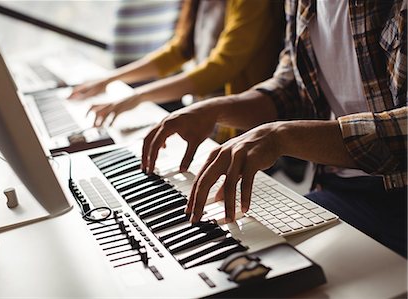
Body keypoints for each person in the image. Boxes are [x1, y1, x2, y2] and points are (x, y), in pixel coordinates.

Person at [141, 0, 407, 257]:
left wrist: (282, 136)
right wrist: (215, 110)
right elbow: (289, 88)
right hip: (339, 190)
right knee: (242, 262)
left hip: (398, 199)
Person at [69, 0, 283, 142]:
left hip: (237, 121)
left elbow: (222, 66)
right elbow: (178, 50)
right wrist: (108, 79)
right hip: (204, 109)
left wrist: (138, 96)